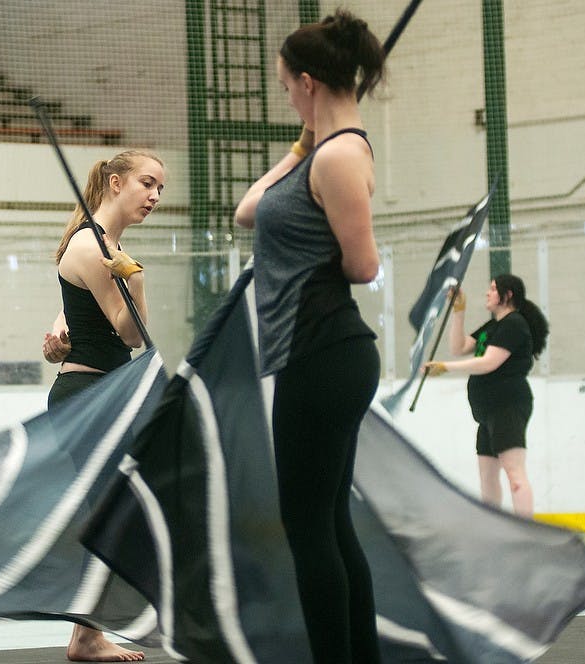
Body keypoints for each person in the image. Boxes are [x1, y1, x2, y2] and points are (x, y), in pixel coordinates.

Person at [233, 9, 385, 664]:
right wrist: (301, 144)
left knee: (309, 530)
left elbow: (365, 265)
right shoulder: (322, 152)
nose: (287, 95)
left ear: (307, 81)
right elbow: (247, 211)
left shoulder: (344, 156)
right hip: (319, 355)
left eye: (288, 85)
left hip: (324, 353)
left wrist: (318, 150)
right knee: (328, 526)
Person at [42, 150, 165, 662]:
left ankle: (85, 634)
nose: (155, 196)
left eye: (160, 189)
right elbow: (132, 333)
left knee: (110, 515)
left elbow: (76, 308)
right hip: (89, 397)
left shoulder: (103, 245)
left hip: (100, 395)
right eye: (147, 183)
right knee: (106, 517)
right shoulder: (96, 247)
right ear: (115, 183)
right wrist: (134, 279)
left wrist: (58, 327)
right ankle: (86, 636)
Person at [423, 275, 549, 518]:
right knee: (488, 477)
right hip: (488, 412)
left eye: (493, 289)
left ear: (508, 294)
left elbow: (489, 362)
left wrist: (446, 368)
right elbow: (458, 348)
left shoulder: (514, 324)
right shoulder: (493, 327)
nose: (487, 293)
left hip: (508, 406)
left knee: (515, 475)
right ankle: (495, 529)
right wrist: (458, 312)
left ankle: (527, 532)